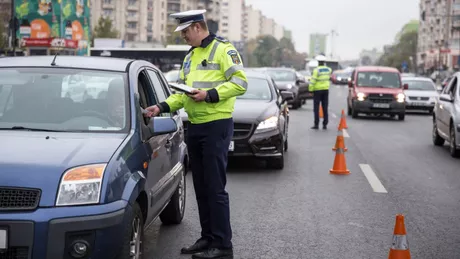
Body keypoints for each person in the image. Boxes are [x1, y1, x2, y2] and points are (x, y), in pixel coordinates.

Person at [144, 9, 247, 259]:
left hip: (217, 126)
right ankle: (208, 238)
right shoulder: (190, 56)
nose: (183, 37)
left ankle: (223, 245)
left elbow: (240, 83)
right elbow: (182, 93)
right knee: (201, 186)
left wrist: (210, 95)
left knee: (215, 188)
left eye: (185, 32)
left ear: (199, 27)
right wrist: (161, 107)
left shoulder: (224, 50)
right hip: (196, 127)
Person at [309, 55, 332, 130]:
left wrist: (310, 90)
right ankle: (325, 124)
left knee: (316, 108)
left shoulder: (316, 70)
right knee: (325, 107)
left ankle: (316, 124)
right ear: (324, 62)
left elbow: (313, 81)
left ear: (318, 62)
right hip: (325, 90)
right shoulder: (328, 70)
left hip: (317, 91)